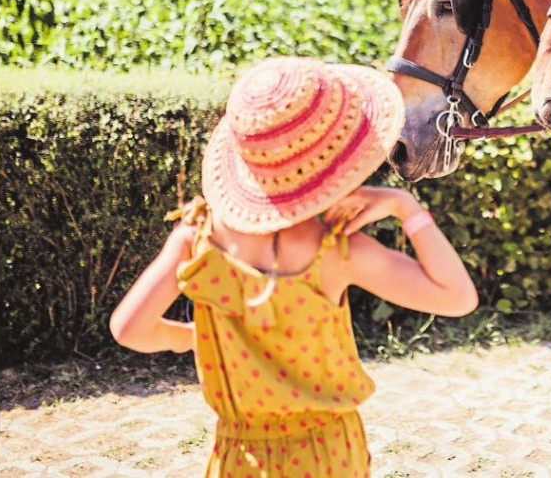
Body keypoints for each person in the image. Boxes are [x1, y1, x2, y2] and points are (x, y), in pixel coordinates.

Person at [109, 57, 479, 477]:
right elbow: (457, 297)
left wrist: (197, 338)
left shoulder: (197, 239)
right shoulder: (338, 251)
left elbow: (129, 329)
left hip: (239, 455)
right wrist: (404, 207)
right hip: (330, 456)